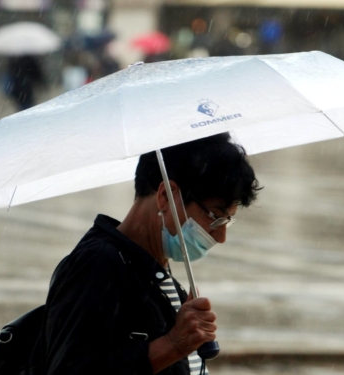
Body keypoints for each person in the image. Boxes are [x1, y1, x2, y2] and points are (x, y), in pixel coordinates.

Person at [36, 133, 261, 375]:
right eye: (215, 217)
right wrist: (172, 345)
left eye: (228, 221)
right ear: (166, 196)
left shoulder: (155, 274)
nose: (220, 236)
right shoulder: (98, 265)